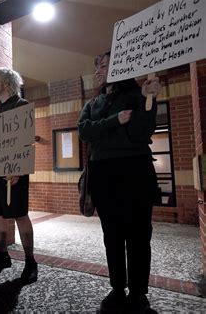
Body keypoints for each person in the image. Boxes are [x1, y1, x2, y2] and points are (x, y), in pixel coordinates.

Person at [78, 51, 161, 313]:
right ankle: (117, 287)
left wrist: (150, 99)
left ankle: (138, 292)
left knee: (138, 234)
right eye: (97, 65)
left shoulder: (138, 95)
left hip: (135, 170)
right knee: (111, 234)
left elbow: (142, 132)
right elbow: (84, 131)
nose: (98, 69)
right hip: (103, 173)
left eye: (104, 64)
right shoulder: (93, 102)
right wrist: (115, 120)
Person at [0, 68, 38, 284]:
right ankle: (3, 256)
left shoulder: (21, 106)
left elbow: (27, 141)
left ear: (7, 83)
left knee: (20, 214)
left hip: (14, 172)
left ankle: (31, 262)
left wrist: (19, 169)